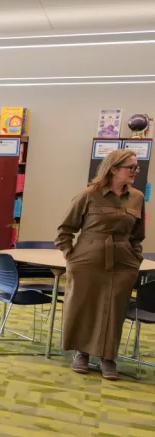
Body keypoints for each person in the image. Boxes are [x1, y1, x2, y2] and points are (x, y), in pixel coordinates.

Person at [55, 148, 146, 380]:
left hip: (123, 262)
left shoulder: (137, 197)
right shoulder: (88, 195)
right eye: (131, 167)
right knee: (83, 305)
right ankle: (81, 353)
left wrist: (135, 257)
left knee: (114, 309)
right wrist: (71, 257)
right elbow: (64, 231)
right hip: (87, 260)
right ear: (114, 169)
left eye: (137, 167)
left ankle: (108, 357)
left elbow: (137, 235)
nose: (136, 171)